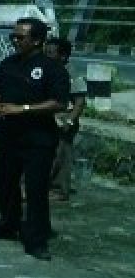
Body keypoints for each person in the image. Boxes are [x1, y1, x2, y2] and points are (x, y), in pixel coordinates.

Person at [0, 17, 70, 261]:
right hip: (10, 136)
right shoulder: (8, 64)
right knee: (6, 184)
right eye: (14, 36)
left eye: (21, 37)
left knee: (35, 190)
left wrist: (22, 109)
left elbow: (59, 102)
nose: (15, 41)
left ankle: (36, 240)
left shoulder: (53, 69)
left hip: (38, 139)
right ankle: (9, 224)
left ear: (37, 40)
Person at [44, 36, 87, 202]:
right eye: (46, 52)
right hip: (49, 118)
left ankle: (61, 190)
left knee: (61, 156)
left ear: (63, 56)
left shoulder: (71, 74)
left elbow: (80, 102)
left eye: (51, 53)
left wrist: (70, 121)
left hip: (64, 120)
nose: (47, 56)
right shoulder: (48, 71)